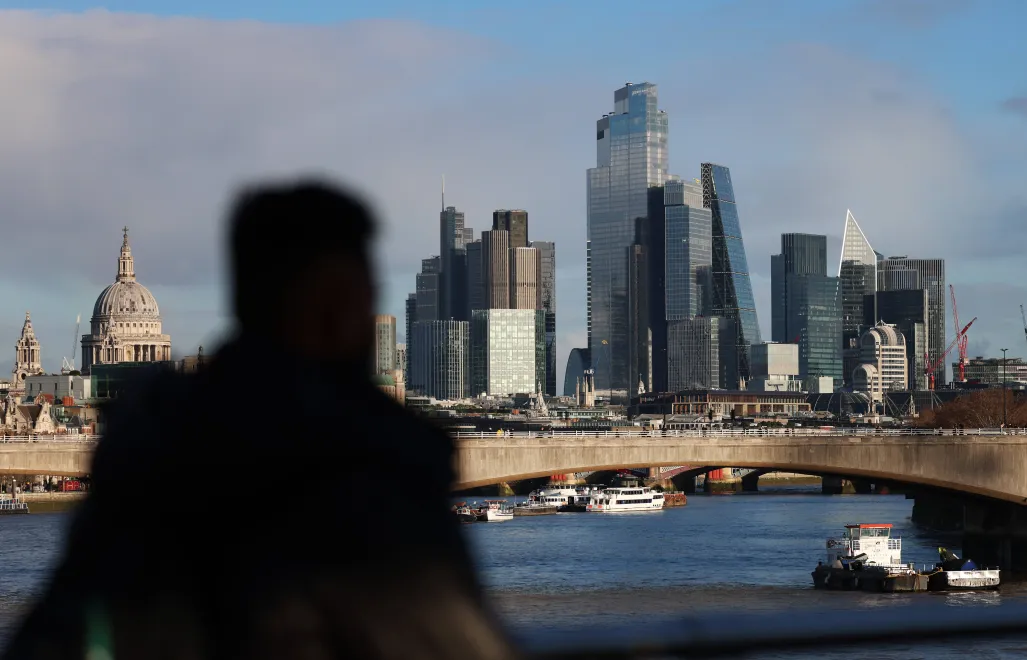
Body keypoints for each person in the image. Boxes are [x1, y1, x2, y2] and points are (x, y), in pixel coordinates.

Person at [4, 180, 519, 660]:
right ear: (338, 309)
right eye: (360, 296)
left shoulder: (146, 453)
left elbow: (58, 632)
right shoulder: (373, 470)